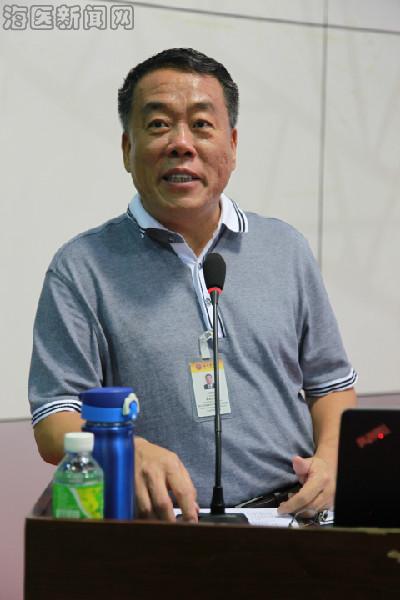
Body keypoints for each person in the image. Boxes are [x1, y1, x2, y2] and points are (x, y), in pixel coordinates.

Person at [29, 48, 357, 524]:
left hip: (292, 518)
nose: (181, 143)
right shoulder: (82, 267)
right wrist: (124, 449)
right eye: (158, 124)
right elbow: (54, 419)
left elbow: (331, 386)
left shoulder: (285, 249)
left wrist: (331, 460)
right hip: (165, 526)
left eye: (202, 125)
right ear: (127, 148)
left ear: (233, 144)